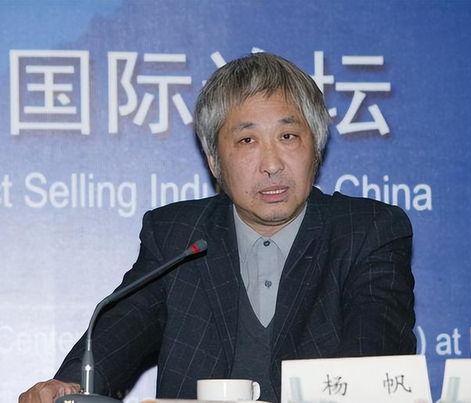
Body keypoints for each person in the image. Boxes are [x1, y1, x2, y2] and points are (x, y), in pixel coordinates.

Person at [19, 52, 415, 403]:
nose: (272, 164)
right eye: (247, 140)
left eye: (288, 136)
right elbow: (122, 328)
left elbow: (374, 364)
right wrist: (68, 386)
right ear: (213, 160)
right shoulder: (177, 236)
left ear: (316, 148)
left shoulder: (367, 232)